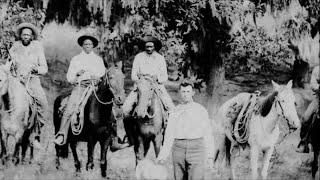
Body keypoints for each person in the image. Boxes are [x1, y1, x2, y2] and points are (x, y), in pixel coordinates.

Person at [53, 34, 127, 150]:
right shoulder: (76, 59)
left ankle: (114, 138)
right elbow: (69, 77)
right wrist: (77, 75)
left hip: (95, 87)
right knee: (70, 107)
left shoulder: (97, 60)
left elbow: (103, 75)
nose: (88, 46)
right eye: (86, 44)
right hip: (80, 87)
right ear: (82, 46)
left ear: (93, 46)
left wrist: (97, 78)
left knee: (110, 108)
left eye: (90, 44)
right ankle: (62, 134)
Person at [157, 80, 214, 180]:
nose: (185, 95)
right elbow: (169, 134)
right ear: (179, 93)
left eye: (188, 92)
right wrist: (163, 156)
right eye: (183, 92)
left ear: (193, 93)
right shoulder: (175, 111)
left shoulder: (200, 110)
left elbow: (208, 134)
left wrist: (210, 156)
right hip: (178, 149)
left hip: (196, 149)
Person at [9, 22, 48, 148]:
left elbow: (44, 68)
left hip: (32, 80)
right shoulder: (15, 47)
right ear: (20, 36)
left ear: (32, 36)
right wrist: (12, 66)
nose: (26, 37)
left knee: (42, 103)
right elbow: (8, 64)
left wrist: (35, 69)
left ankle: (35, 134)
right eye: (24, 34)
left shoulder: (37, 47)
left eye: (28, 35)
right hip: (16, 80)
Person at [122, 36, 175, 118]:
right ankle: (129, 126)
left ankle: (168, 123)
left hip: (156, 86)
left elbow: (165, 77)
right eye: (147, 47)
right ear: (144, 47)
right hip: (141, 85)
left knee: (171, 107)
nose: (149, 49)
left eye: (151, 47)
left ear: (154, 47)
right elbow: (133, 75)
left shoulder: (160, 58)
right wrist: (140, 79)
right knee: (126, 108)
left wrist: (157, 78)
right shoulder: (138, 57)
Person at [296, 65, 319, 153]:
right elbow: (313, 84)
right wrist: (318, 87)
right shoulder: (317, 69)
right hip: (318, 99)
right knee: (306, 118)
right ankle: (303, 143)